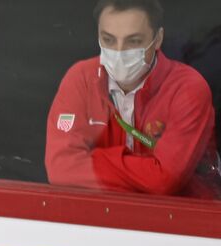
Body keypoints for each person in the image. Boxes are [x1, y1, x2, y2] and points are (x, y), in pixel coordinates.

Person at [46, 0, 221, 198]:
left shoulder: (187, 88)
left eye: (134, 41)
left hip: (182, 221)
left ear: (158, 40)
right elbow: (59, 168)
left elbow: (164, 180)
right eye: (109, 40)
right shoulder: (81, 78)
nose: (119, 52)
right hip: (103, 215)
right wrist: (147, 169)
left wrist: (91, 160)